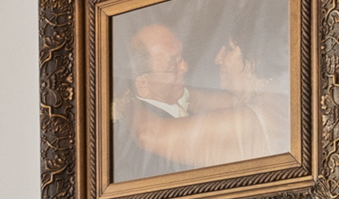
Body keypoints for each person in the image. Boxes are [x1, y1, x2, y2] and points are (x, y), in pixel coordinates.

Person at [108, 19, 285, 180]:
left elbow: (149, 134)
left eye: (229, 49)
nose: (218, 58)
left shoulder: (250, 118)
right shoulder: (269, 98)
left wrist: (125, 99)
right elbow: (197, 97)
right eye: (173, 65)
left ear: (255, 57)